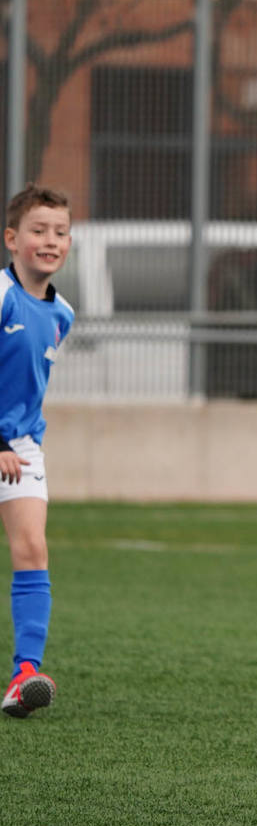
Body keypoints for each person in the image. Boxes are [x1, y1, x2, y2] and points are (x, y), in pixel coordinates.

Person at [0, 184, 75, 719]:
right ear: (12, 239)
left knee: (31, 549)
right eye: (39, 230)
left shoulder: (63, 313)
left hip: (22, 446)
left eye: (61, 232)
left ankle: (24, 673)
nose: (51, 241)